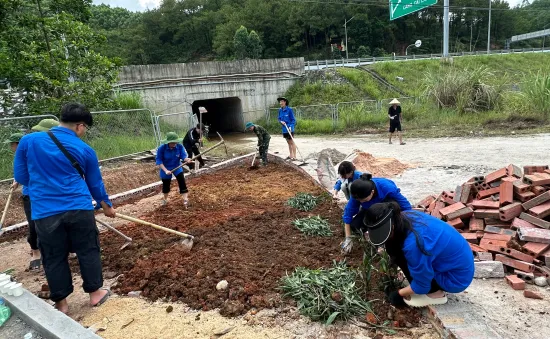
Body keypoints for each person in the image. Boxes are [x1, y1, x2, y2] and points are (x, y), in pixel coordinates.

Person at [14, 103, 115, 314]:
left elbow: (22, 177)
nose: (84, 132)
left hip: (44, 211)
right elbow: (95, 185)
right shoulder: (85, 149)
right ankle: (95, 294)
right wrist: (106, 207)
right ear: (79, 126)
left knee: (53, 255)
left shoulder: (28, 141)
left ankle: (61, 304)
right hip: (79, 207)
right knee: (88, 249)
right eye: (85, 128)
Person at [362, 201, 474, 307]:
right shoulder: (403, 216)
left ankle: (435, 294)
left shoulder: (414, 244)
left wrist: (399, 293)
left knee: (404, 256)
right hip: (451, 261)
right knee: (394, 246)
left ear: (392, 226)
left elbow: (422, 284)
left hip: (455, 277)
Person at [340, 173, 411, 254]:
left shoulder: (386, 188)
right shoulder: (358, 193)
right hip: (369, 209)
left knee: (385, 225)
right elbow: (347, 215)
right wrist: (348, 239)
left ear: (372, 192)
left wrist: (408, 222)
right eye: (359, 201)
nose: (361, 202)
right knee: (355, 225)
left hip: (387, 207)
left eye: (364, 200)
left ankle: (385, 241)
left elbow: (405, 206)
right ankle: (372, 239)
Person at [156, 132, 192, 207]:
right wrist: (166, 170)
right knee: (166, 185)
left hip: (177, 167)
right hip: (165, 168)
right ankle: (165, 199)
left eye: (176, 142)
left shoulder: (179, 146)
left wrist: (186, 159)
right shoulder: (162, 148)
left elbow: (183, 156)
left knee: (182, 182)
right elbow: (159, 161)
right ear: (168, 142)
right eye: (173, 142)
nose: (175, 143)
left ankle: (185, 200)